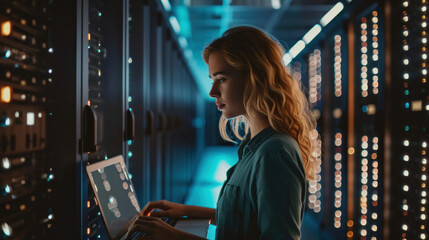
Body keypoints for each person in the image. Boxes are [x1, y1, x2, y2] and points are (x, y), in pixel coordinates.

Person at [126, 25, 318, 240]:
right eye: (212, 80)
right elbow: (245, 220)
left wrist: (174, 237)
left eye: (222, 79)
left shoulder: (274, 151)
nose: (212, 92)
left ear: (255, 77)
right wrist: (186, 211)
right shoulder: (254, 146)